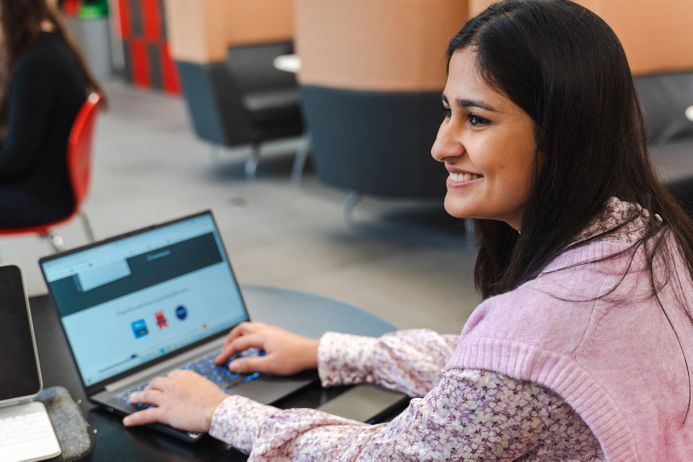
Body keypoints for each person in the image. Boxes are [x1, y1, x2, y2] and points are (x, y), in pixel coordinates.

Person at [124, 1, 693, 460]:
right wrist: (327, 351)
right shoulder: (642, 236)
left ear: (564, 133)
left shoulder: (542, 333)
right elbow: (479, 368)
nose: (441, 146)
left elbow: (398, 451)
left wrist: (221, 412)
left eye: (477, 118)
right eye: (447, 111)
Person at [0, 0, 105, 228]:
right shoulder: (50, 43)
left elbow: (15, 160)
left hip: (41, 195)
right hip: (49, 181)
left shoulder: (35, 65)